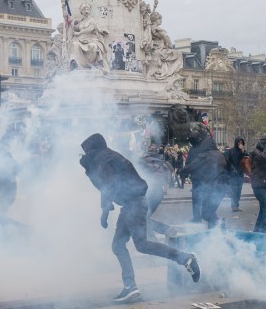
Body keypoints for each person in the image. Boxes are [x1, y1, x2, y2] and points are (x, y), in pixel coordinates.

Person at [80, 133, 200, 303]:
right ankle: (131, 288)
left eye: (85, 151)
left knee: (142, 245)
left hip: (133, 203)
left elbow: (107, 185)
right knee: (118, 245)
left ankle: (185, 258)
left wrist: (105, 210)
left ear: (92, 149)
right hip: (131, 204)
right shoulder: (107, 156)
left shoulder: (102, 161)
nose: (84, 155)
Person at [182, 125, 226, 228]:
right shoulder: (197, 149)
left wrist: (184, 171)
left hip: (206, 180)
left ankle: (215, 223)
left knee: (206, 207)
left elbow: (192, 164)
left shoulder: (206, 151)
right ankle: (200, 219)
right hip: (201, 179)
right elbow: (190, 162)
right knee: (198, 200)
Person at [225, 137, 247, 212]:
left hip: (240, 174)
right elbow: (226, 160)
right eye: (238, 142)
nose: (240, 144)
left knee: (238, 191)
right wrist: (231, 170)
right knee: (234, 190)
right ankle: (234, 206)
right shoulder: (231, 151)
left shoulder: (242, 151)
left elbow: (247, 158)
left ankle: (236, 205)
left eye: (241, 142)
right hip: (232, 174)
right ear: (236, 142)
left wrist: (243, 150)